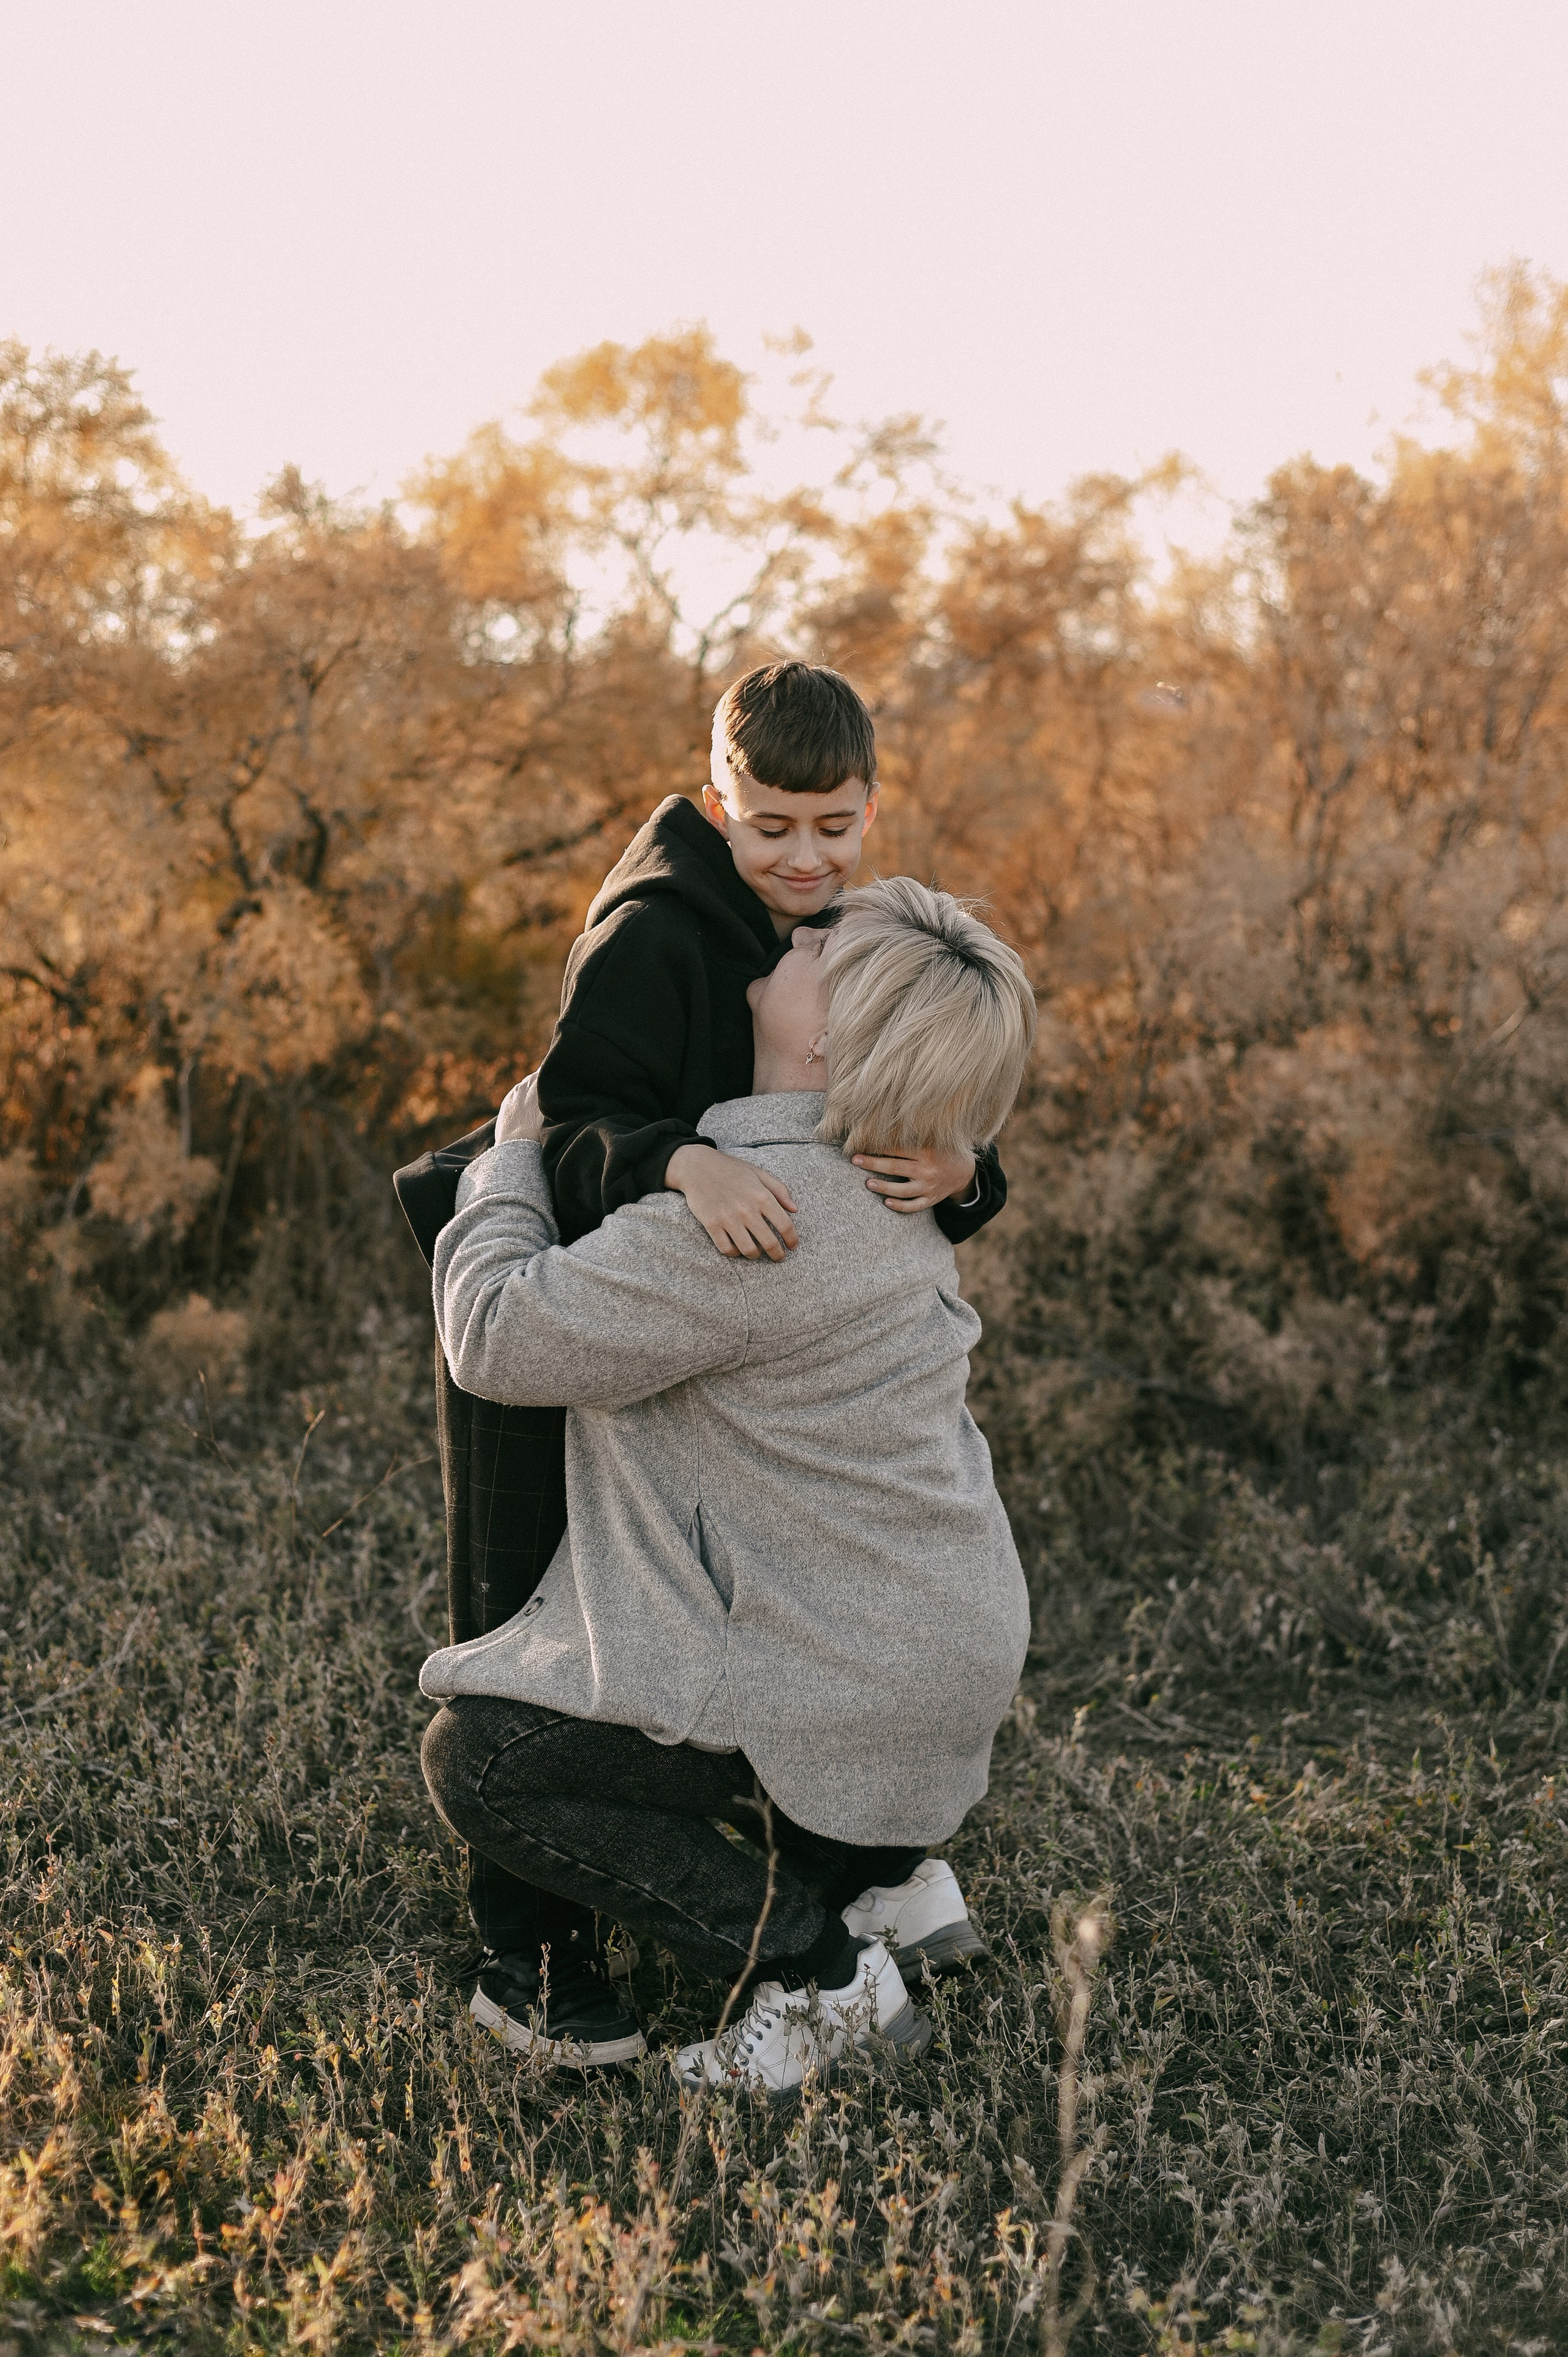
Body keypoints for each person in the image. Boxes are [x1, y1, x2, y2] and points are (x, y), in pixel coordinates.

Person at [394, 665, 1011, 1968]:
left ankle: (811, 1933)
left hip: (724, 1267)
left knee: (732, 1573)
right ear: (720, 794)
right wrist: (680, 1162)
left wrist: (967, 1169)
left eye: (832, 829)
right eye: (770, 827)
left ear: (869, 804)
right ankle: (562, 1942)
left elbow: (922, 1058)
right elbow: (573, 1113)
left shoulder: (842, 936)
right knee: (553, 1567)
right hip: (631, 1230)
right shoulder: (658, 935)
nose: (804, 871)